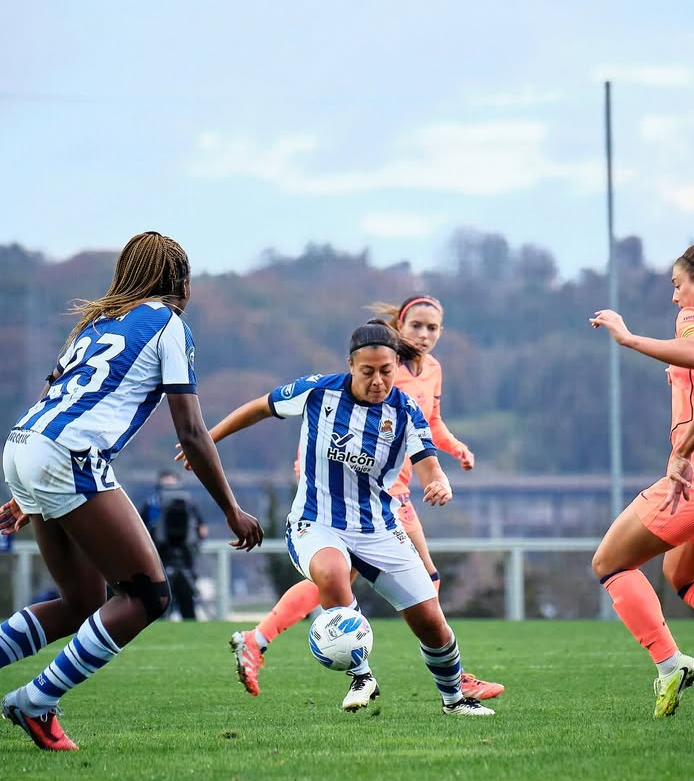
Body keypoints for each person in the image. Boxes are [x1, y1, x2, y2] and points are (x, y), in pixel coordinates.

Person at [0, 231, 263, 752]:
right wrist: (231, 509)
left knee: (80, 604)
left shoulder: (96, 323)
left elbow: (55, 392)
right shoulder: (169, 324)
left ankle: (35, 700)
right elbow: (190, 430)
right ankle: (35, 701)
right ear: (180, 284)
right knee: (147, 594)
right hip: (70, 454)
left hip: (24, 443)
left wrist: (29, 489)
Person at [180, 318, 495, 716]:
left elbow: (429, 464)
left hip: (379, 527)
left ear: (397, 367)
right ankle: (362, 674)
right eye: (368, 372)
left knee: (431, 619)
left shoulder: (405, 412)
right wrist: (207, 440)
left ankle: (454, 701)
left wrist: (440, 482)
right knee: (330, 572)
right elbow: (259, 407)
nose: (378, 380)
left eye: (386, 371)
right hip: (317, 521)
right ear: (351, 366)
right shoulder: (318, 391)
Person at [589, 231, 694, 719]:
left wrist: (627, 337)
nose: (674, 295)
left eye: (678, 285)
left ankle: (669, 664)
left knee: (611, 564)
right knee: (681, 575)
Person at [140, 469, 208, 620]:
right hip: (184, 554)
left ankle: (161, 618)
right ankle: (188, 618)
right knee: (185, 595)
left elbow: (141, 528)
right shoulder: (188, 501)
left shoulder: (152, 502)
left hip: (161, 554)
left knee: (161, 592)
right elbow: (202, 530)